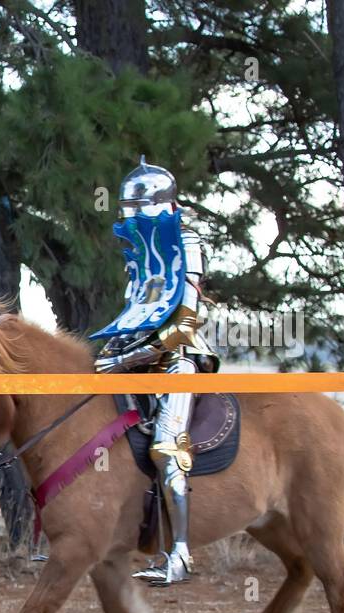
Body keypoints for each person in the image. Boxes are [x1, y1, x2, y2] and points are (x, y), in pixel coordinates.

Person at [91, 157, 219, 586]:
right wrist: (106, 355)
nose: (135, 217)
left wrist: (122, 362)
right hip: (136, 359)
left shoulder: (186, 242)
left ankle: (180, 554)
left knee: (166, 449)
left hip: (176, 361)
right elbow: (134, 314)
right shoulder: (141, 254)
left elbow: (182, 326)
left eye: (140, 207)